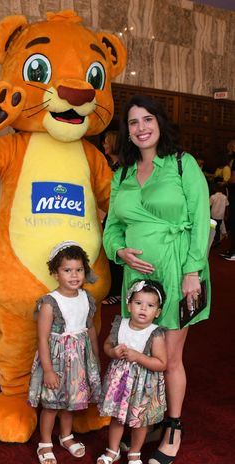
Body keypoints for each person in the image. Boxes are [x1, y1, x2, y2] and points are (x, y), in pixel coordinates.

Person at [103, 94, 211, 464]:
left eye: (148, 119)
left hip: (179, 270)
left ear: (160, 123)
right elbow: (112, 227)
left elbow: (200, 221)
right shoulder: (122, 174)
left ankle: (173, 426)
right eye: (133, 123)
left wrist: (192, 272)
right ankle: (144, 418)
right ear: (126, 131)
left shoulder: (183, 165)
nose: (141, 128)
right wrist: (119, 250)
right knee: (141, 351)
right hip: (136, 279)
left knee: (171, 356)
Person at [28, 241, 101, 464]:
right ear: (55, 273)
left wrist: (95, 358)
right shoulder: (50, 303)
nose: (74, 275)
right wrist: (48, 371)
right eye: (67, 270)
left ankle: (66, 436)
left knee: (71, 402)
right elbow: (42, 338)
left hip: (79, 360)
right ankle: (45, 442)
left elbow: (90, 329)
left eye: (79, 270)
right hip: (57, 361)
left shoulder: (87, 298)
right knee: (52, 404)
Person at [97, 280, 167, 464]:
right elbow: (107, 345)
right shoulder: (120, 324)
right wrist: (113, 352)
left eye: (150, 305)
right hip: (120, 383)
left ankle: (135, 453)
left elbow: (161, 364)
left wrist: (138, 356)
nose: (143, 309)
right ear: (129, 305)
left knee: (140, 421)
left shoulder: (155, 333)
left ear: (157, 312)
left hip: (144, 386)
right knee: (117, 419)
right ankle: (113, 450)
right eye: (138, 303)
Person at [102, 130, 123, 304]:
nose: (104, 144)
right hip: (111, 211)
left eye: (107, 141)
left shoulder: (124, 167)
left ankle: (117, 291)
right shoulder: (111, 165)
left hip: (119, 214)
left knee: (116, 252)